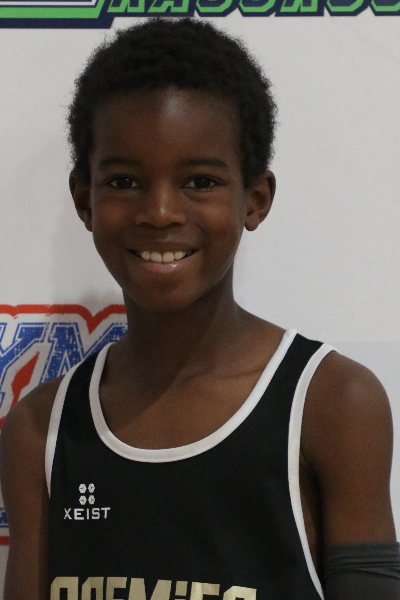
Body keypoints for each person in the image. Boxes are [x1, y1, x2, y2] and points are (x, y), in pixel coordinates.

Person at [0, 18, 399, 600]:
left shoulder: (334, 403)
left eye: (200, 181)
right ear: (84, 200)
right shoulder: (39, 429)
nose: (160, 212)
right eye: (125, 182)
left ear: (255, 199)